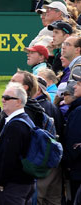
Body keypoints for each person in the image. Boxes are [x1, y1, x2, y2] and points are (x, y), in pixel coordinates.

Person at [0, 82, 35, 204]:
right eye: (3, 97)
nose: (3, 100)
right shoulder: (23, 120)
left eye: (8, 98)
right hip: (23, 182)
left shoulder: (16, 125)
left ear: (19, 101)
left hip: (13, 185)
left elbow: (9, 157)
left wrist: (1, 182)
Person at [66, 72, 81, 200]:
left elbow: (74, 143)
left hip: (77, 171)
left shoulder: (79, 111)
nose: (75, 87)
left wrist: (67, 162)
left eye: (79, 84)